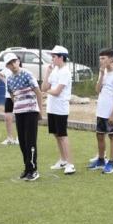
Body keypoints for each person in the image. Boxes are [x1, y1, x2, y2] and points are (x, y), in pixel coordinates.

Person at [4, 52, 43, 181]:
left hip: (31, 111)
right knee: (22, 141)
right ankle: (27, 168)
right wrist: (17, 106)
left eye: (14, 61)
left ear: (18, 61)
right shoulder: (9, 79)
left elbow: (38, 91)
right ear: (7, 66)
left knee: (30, 140)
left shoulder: (27, 74)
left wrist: (40, 110)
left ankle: (33, 169)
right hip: (19, 113)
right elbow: (12, 94)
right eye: (10, 63)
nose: (13, 65)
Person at [40, 44, 75, 174]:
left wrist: (46, 92)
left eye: (54, 56)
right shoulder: (54, 70)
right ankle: (63, 160)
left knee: (63, 135)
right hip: (51, 108)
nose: (52, 59)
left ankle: (70, 164)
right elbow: (44, 87)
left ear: (61, 57)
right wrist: (47, 73)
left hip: (61, 108)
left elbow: (57, 92)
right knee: (56, 135)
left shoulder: (65, 72)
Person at [89, 48, 113, 175]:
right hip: (101, 111)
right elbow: (97, 90)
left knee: (112, 136)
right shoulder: (102, 72)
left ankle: (111, 163)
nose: (101, 61)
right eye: (100, 59)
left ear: (111, 59)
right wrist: (102, 75)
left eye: (103, 58)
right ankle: (100, 160)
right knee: (99, 135)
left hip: (111, 112)